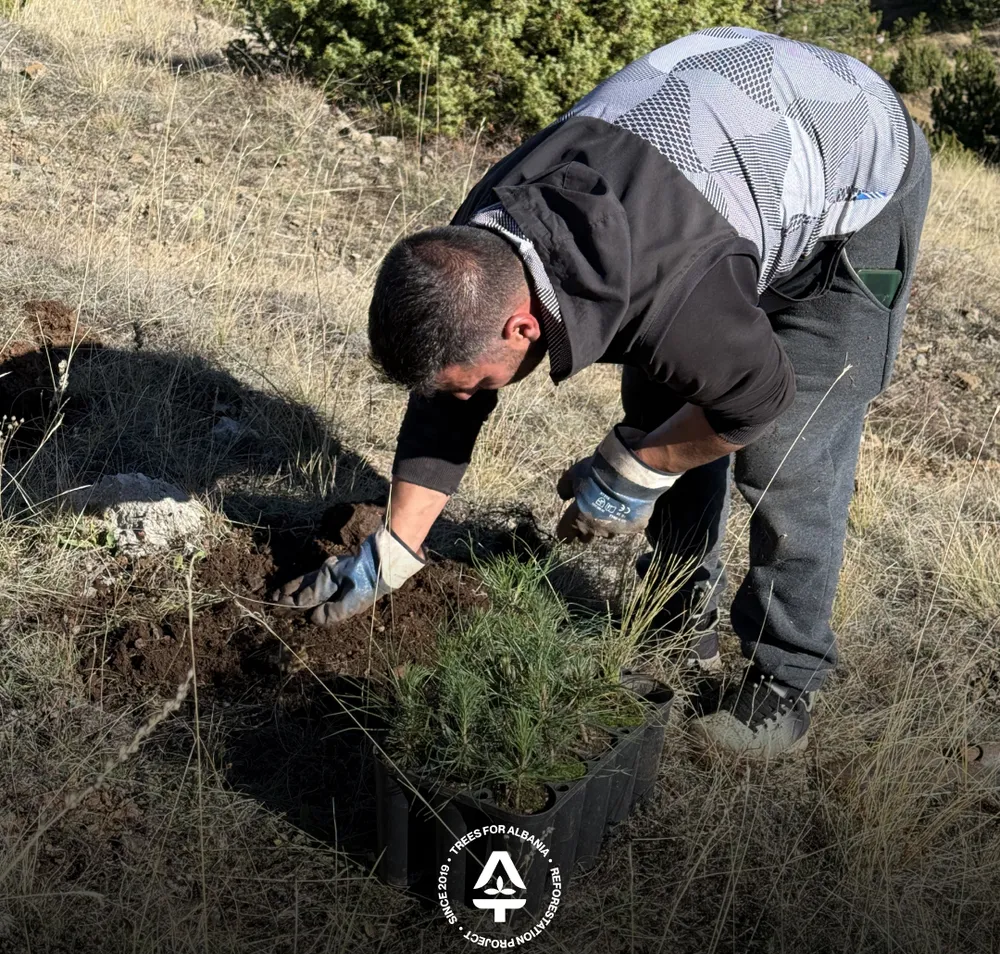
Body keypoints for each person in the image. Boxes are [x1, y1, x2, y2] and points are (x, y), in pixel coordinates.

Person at [274, 26, 932, 757]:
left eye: (477, 385)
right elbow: (448, 394)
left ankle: (788, 678)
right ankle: (677, 616)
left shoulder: (676, 286)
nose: (468, 397)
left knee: (786, 455)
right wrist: (395, 548)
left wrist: (632, 473)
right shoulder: (474, 247)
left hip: (857, 166)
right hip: (727, 157)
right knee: (659, 407)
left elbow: (757, 400)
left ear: (524, 325)